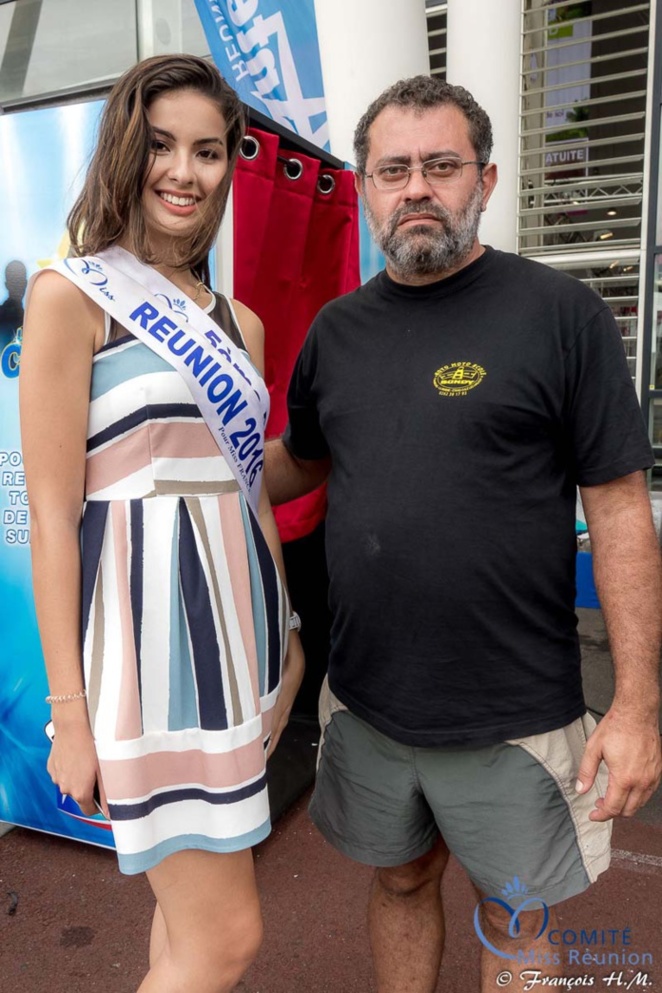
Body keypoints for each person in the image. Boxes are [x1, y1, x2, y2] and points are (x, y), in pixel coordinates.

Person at [265, 76, 662, 993]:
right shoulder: (337, 331)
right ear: (365, 187)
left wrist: (638, 704)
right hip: (367, 699)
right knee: (401, 876)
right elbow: (303, 462)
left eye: (440, 166)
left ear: (484, 181)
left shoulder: (561, 316)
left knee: (514, 914)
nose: (416, 188)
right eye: (393, 169)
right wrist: (186, 457)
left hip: (514, 711)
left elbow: (618, 509)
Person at [20, 54, 304, 993]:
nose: (185, 171)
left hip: (237, 642)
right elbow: (55, 520)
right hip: (144, 656)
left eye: (210, 150)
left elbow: (251, 491)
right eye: (161, 144)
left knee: (182, 926)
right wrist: (70, 714)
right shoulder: (72, 299)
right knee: (226, 939)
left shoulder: (243, 325)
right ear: (124, 151)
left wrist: (290, 637)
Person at [0, 259, 27, 351]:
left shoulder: (29, 319)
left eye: (20, 282)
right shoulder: (30, 320)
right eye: (15, 282)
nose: (18, 286)